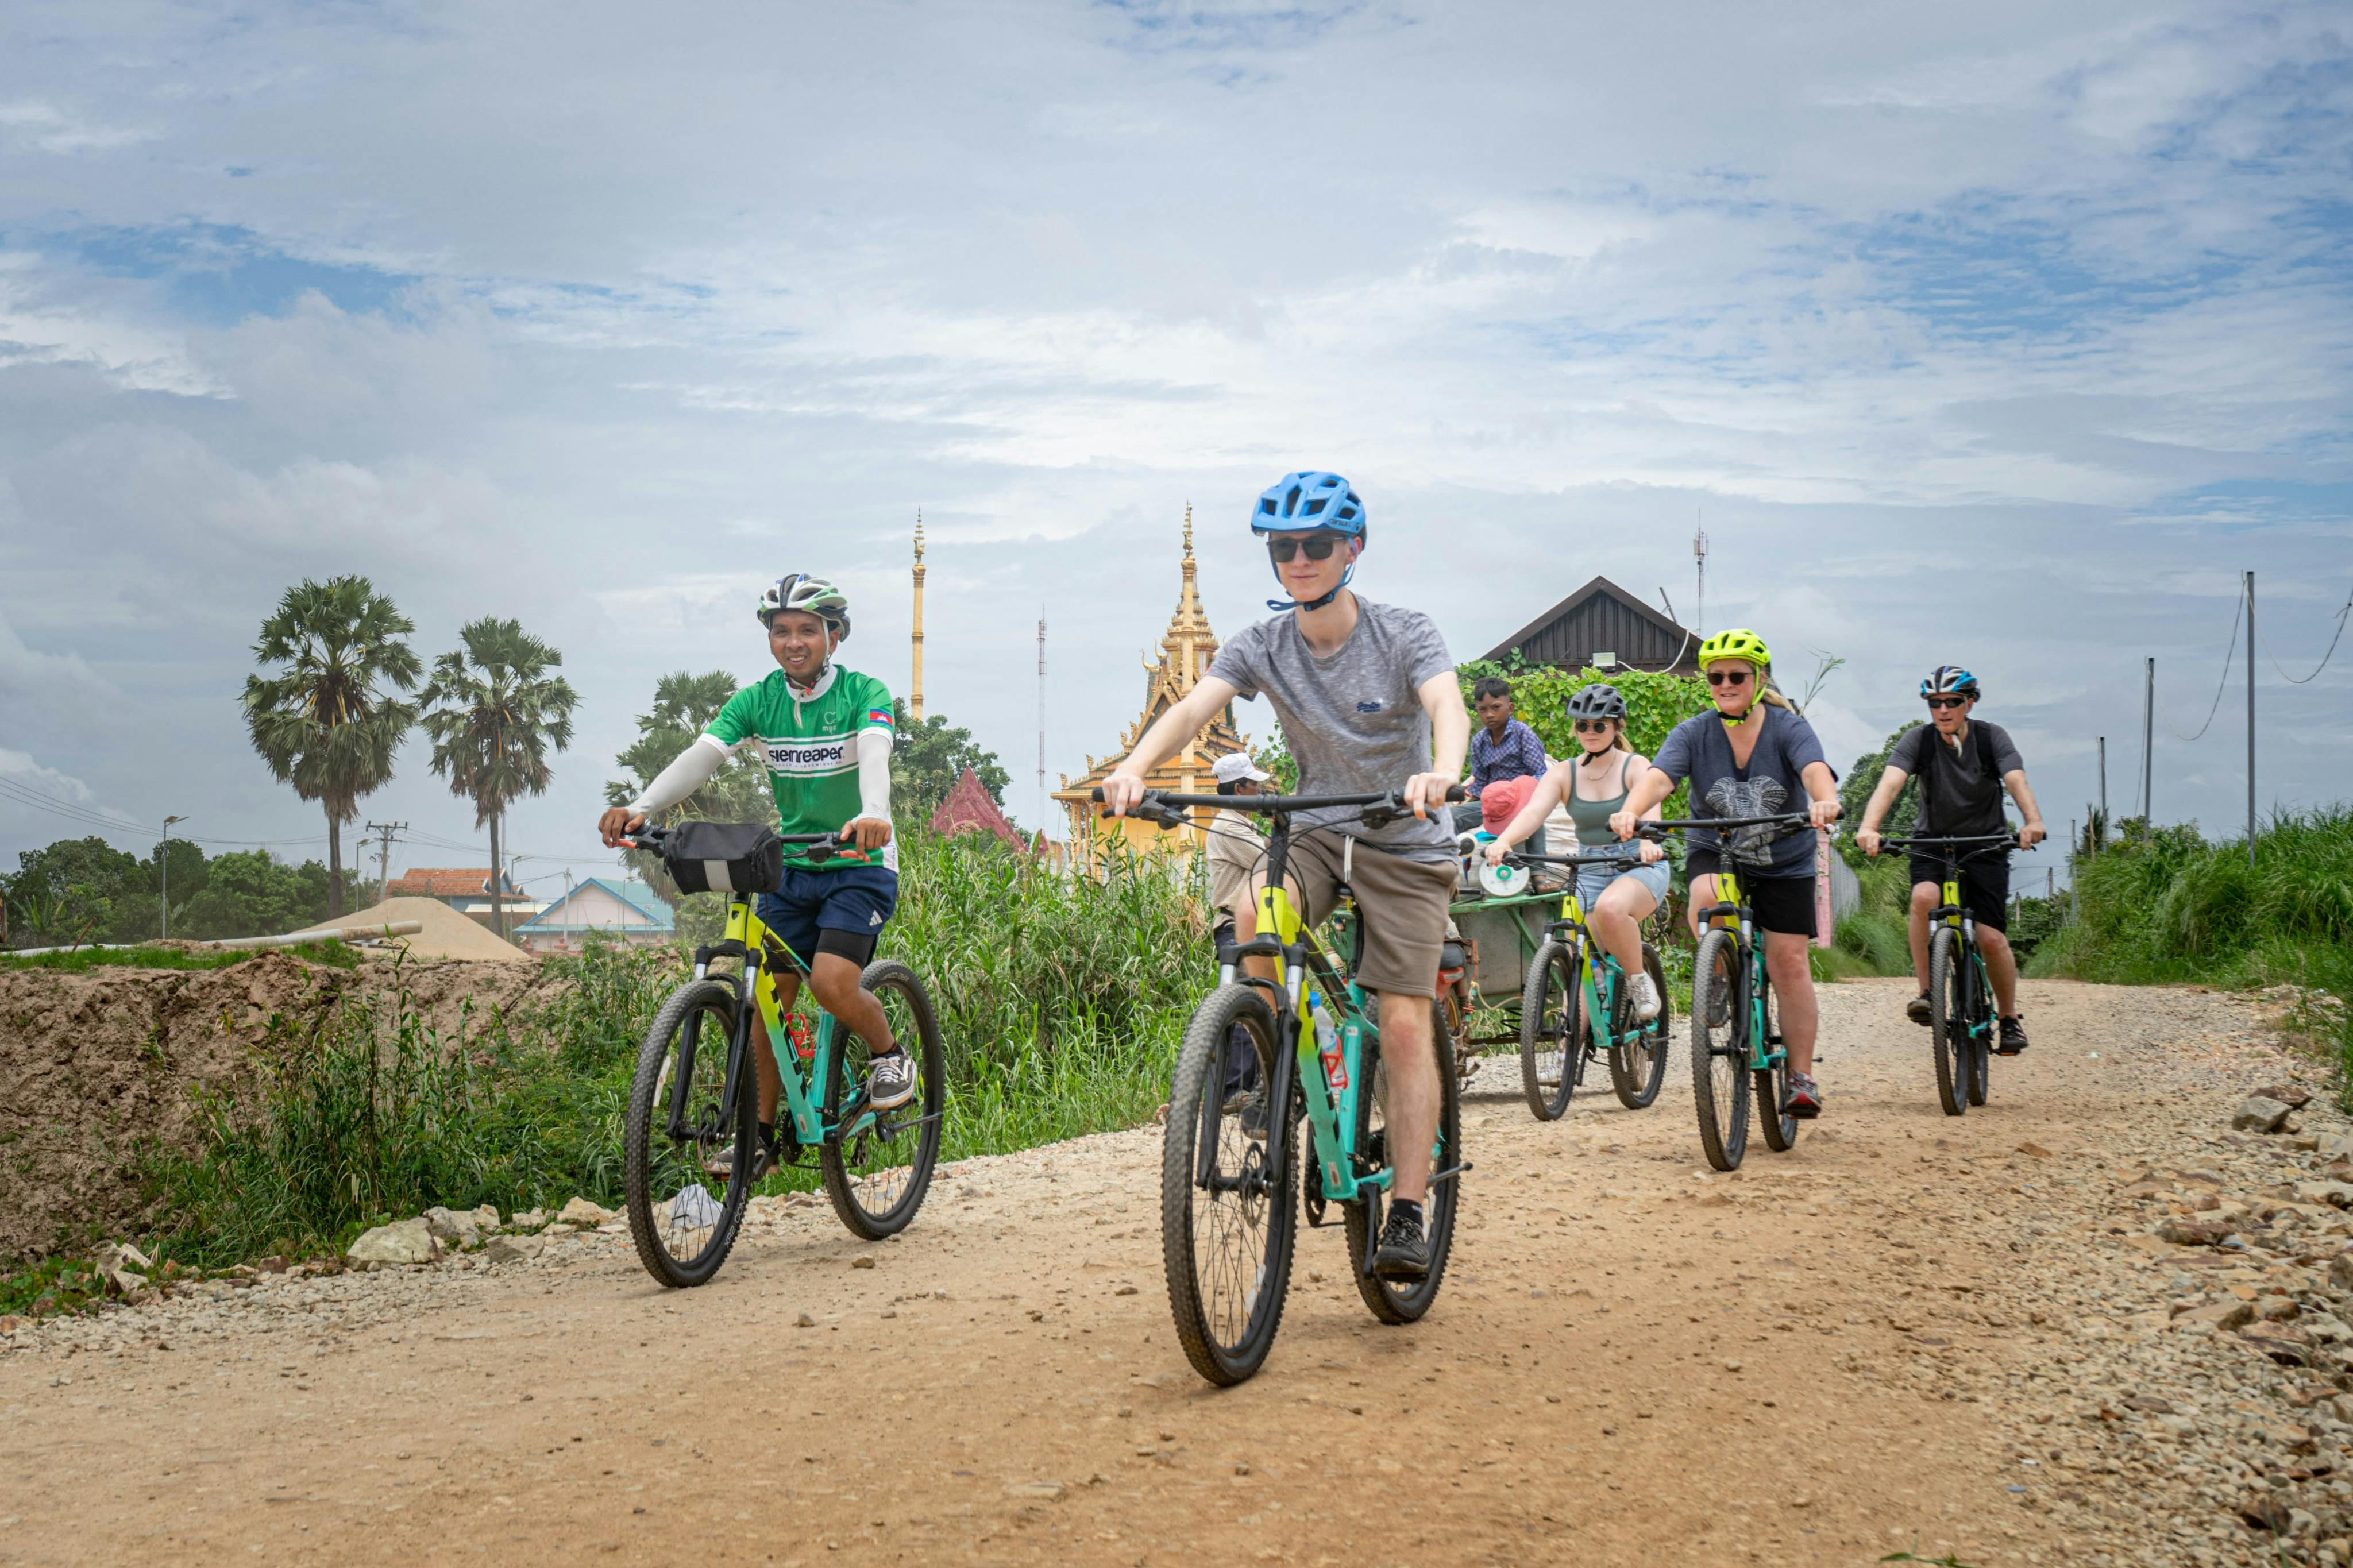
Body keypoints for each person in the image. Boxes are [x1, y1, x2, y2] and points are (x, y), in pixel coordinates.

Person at [1102, 470, 1467, 1281]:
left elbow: (1447, 706)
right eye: (1284, 547)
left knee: (1404, 1022)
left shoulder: (1405, 632)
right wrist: (1133, 769)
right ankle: (1272, 1062)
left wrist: (1441, 770)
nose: (1299, 560)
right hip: (1315, 830)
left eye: (1316, 545)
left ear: (1352, 549)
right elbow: (1195, 707)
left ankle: (1406, 1206)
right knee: (1250, 911)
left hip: (1403, 837)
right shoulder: (1262, 643)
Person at [597, 573, 913, 1179]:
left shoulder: (863, 692)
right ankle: (760, 1136)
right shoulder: (758, 700)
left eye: (807, 631)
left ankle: (890, 1055)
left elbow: (875, 752)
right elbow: (703, 755)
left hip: (858, 864)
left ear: (834, 637)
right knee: (766, 1000)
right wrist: (642, 808)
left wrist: (874, 814)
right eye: (781, 632)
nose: (793, 642)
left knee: (829, 984)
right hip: (791, 866)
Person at [1612, 629, 1842, 1117]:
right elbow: (1659, 778)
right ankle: (1716, 975)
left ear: (1759, 679)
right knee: (1707, 895)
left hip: (1786, 858)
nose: (1725, 683)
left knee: (1789, 963)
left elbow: (1814, 769)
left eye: (1736, 675)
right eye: (1716, 676)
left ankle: (1801, 1077)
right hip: (1716, 848)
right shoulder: (1694, 733)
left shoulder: (1788, 728)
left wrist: (1824, 800)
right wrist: (1632, 810)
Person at [1854, 665, 2049, 1054]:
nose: (1943, 710)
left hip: (1985, 843)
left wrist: (2033, 821)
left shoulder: (1992, 738)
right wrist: (1868, 827)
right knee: (1924, 899)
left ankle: (2008, 1019)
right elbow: (1890, 782)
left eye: (1952, 702)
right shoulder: (1919, 741)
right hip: (1933, 841)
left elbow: (2015, 780)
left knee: (1992, 939)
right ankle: (1927, 991)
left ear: (1969, 703)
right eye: (1935, 703)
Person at [1484, 683, 1670, 1022]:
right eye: (1582, 725)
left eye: (1599, 725)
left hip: (1637, 863)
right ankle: (1566, 1052)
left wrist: (1648, 840)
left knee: (1611, 910)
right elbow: (1532, 813)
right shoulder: (1563, 773)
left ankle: (1639, 980)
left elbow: (1651, 803)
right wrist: (1504, 842)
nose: (1590, 732)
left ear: (1617, 726)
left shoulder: (1635, 765)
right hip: (1590, 868)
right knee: (1582, 962)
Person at [1205, 751, 1272, 1096]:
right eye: (1255, 786)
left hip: (1237, 927)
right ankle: (1235, 1091)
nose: (1260, 792)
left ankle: (1230, 1090)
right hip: (1236, 927)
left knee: (1240, 1007)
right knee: (1248, 1004)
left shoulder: (1241, 825)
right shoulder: (1230, 827)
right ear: (1240, 788)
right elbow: (1271, 862)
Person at [1457, 677, 1549, 854]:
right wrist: (1467, 795)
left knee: (1534, 815)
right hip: (1493, 804)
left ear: (1510, 707)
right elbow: (1481, 783)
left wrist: (1523, 795)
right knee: (1451, 817)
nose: (1490, 714)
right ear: (1477, 711)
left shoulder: (1523, 734)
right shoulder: (1479, 742)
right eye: (1483, 710)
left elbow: (1540, 774)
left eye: (1496, 707)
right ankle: (1448, 866)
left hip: (1520, 801)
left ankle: (1539, 874)